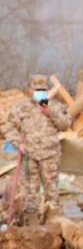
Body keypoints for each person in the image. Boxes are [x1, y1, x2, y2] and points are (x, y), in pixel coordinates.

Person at [2, 75, 71, 224]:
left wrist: (50, 112)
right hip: (30, 156)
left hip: (50, 155)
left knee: (52, 191)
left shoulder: (55, 106)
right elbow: (9, 127)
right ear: (29, 91)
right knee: (30, 193)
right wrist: (18, 143)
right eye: (36, 90)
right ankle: (31, 226)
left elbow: (65, 124)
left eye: (42, 91)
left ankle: (55, 223)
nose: (39, 94)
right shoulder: (21, 109)